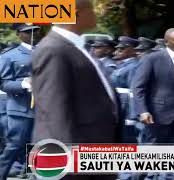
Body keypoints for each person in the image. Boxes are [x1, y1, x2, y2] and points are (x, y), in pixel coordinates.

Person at [32, 2, 121, 180]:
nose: (96, 14)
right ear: (76, 14)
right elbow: (54, 109)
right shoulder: (54, 49)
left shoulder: (76, 47)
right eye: (92, 10)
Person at [132, 28, 174, 144]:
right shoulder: (152, 59)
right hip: (158, 115)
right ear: (166, 42)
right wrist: (143, 111)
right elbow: (139, 87)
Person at [0, 23, 41, 179]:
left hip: (43, 109)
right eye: (28, 31)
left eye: (36, 31)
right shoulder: (9, 56)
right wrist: (24, 84)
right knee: (14, 146)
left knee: (37, 147)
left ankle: (32, 176)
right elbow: (4, 83)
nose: (33, 34)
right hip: (21, 108)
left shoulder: (47, 52)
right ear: (19, 34)